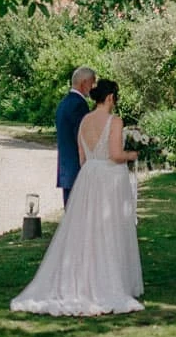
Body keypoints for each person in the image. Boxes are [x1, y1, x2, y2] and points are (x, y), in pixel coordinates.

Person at [12, 79, 144, 316]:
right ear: (111, 98)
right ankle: (108, 282)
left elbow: (82, 157)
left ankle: (83, 277)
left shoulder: (84, 120)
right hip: (109, 179)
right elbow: (115, 154)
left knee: (87, 230)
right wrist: (133, 154)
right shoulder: (115, 121)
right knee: (109, 228)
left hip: (88, 176)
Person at [53, 66, 96, 206]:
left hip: (67, 170)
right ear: (84, 83)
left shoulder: (64, 103)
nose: (93, 87)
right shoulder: (79, 105)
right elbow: (82, 138)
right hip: (77, 169)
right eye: (92, 82)